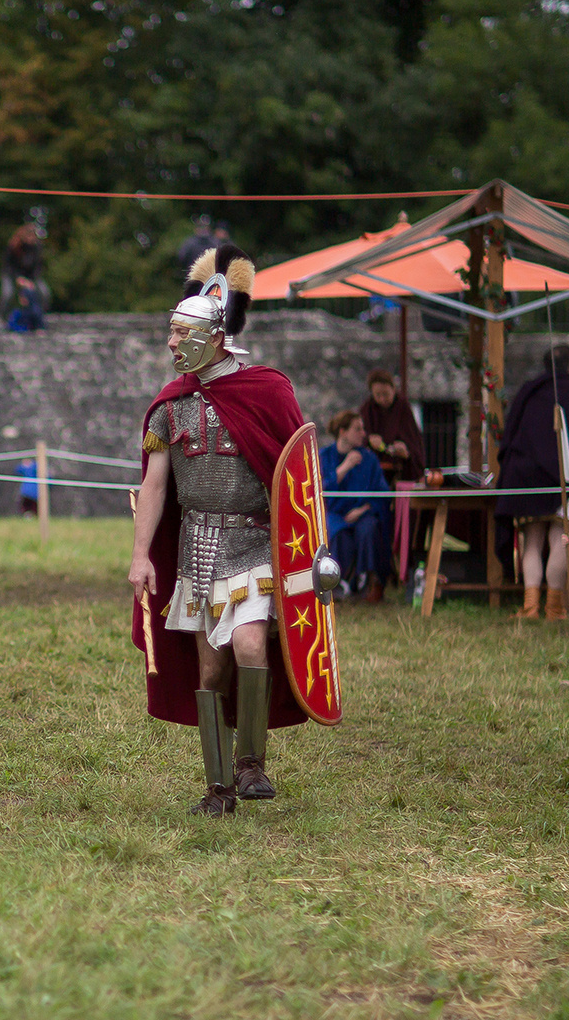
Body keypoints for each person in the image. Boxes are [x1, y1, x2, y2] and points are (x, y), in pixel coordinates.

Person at [128, 243, 310, 817]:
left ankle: (252, 763)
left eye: (182, 334)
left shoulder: (267, 389)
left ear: (213, 335)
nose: (172, 343)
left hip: (254, 539)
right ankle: (217, 786)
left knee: (252, 642)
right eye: (172, 333)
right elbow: (155, 486)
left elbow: (298, 472)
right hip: (198, 546)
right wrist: (140, 557)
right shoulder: (170, 406)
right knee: (210, 665)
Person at [495, 345, 569, 621]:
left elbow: (509, 436)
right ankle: (554, 608)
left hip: (523, 475)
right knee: (559, 539)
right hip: (562, 476)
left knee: (531, 541)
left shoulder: (529, 390)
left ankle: (531, 607)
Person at [320, 411, 391, 603]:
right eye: (357, 429)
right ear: (343, 432)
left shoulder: (369, 459)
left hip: (363, 512)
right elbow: (318, 489)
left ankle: (367, 580)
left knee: (368, 528)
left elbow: (382, 493)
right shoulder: (324, 456)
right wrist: (345, 466)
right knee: (337, 532)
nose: (363, 433)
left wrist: (362, 510)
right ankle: (337, 582)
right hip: (335, 513)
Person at [357, 368, 425, 484]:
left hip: (401, 471)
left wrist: (405, 450)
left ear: (393, 389)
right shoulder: (367, 410)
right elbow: (360, 438)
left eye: (386, 394)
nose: (382, 399)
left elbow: (414, 443)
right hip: (374, 473)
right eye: (378, 395)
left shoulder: (403, 409)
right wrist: (370, 440)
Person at [0, 224, 48, 333]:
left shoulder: (37, 248)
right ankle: (4, 318)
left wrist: (31, 280)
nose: (31, 239)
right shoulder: (13, 247)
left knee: (44, 292)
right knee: (8, 294)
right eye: (29, 237)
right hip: (11, 275)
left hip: (30, 276)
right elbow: (8, 266)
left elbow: (38, 266)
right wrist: (18, 279)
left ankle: (39, 318)